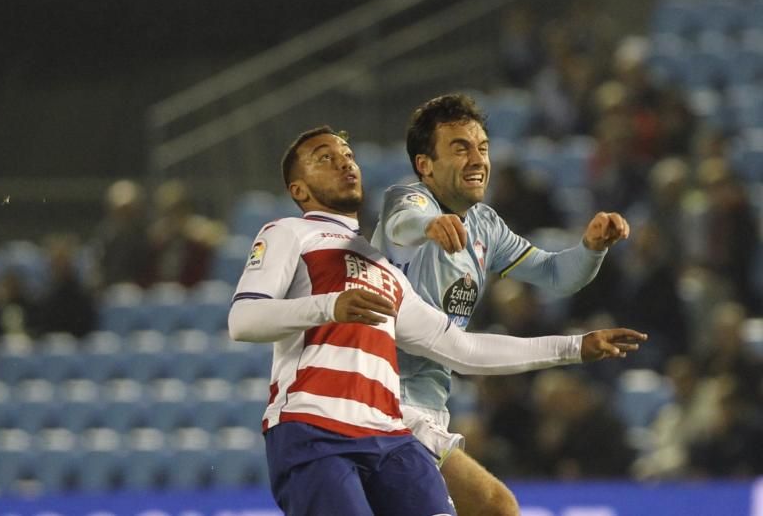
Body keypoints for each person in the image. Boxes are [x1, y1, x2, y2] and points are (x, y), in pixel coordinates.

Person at [229, 126, 645, 516]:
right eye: (325, 158)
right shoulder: (288, 233)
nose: (344, 163)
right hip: (314, 428)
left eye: (348, 155)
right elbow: (244, 320)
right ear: (297, 188)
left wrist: (575, 346)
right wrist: (328, 307)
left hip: (389, 435)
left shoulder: (383, 269)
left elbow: (463, 351)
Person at [371, 93, 631, 516]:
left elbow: (554, 275)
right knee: (496, 507)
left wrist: (591, 248)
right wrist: (430, 225)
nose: (477, 159)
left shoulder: (485, 226)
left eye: (483, 148)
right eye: (460, 148)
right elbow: (402, 225)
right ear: (425, 165)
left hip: (429, 408)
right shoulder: (409, 200)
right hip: (388, 402)